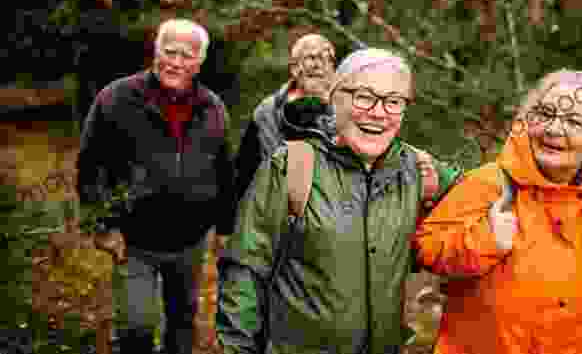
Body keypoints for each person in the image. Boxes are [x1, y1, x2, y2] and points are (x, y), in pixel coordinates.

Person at [216, 48, 463, 354]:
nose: (378, 111)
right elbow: (246, 268)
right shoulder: (292, 165)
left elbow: (484, 198)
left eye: (394, 101)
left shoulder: (417, 169)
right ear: (335, 99)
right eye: (363, 96)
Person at [412, 69, 582, 354]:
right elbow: (427, 247)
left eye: (574, 122)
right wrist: (484, 240)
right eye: (544, 114)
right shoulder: (490, 182)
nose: (553, 129)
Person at [77, 18, 236, 354]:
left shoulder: (213, 108)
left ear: (200, 61)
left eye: (187, 55)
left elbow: (224, 171)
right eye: (170, 51)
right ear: (155, 51)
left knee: (182, 322)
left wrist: (225, 228)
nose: (176, 62)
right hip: (134, 240)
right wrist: (100, 224)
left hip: (190, 241)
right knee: (136, 327)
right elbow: (90, 166)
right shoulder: (116, 98)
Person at [233, 33, 337, 202]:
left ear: (333, 68)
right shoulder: (268, 112)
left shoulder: (346, 111)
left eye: (326, 58)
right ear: (294, 68)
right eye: (311, 57)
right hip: (275, 211)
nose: (319, 65)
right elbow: (245, 173)